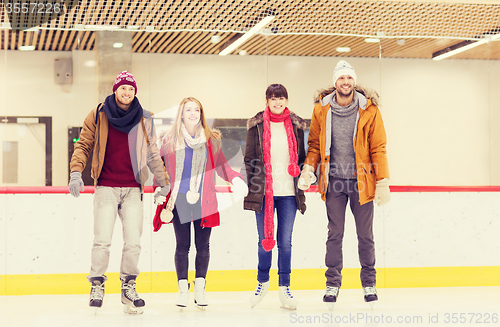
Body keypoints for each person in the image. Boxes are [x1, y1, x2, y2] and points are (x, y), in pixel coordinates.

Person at [68, 71, 170, 314]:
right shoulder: (99, 113)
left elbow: (153, 152)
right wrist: (75, 171)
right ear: (116, 89)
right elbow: (83, 144)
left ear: (135, 92)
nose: (127, 93)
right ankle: (97, 284)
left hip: (134, 188)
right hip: (106, 186)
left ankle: (128, 287)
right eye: (123, 88)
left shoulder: (145, 117)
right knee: (102, 240)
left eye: (131, 89)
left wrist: (163, 181)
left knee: (133, 242)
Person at [298, 61, 390, 306]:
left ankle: (369, 283)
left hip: (362, 182)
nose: (346, 82)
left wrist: (382, 181)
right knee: (335, 234)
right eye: (341, 78)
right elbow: (315, 145)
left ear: (354, 81)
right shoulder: (322, 109)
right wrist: (308, 169)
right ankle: (332, 284)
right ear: (335, 82)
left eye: (349, 78)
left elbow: (378, 148)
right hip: (335, 182)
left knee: (365, 236)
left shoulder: (369, 110)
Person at [156, 97, 248, 308]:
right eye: (188, 109)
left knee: (203, 246)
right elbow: (159, 169)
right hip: (178, 201)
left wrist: (235, 179)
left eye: (196, 110)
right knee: (182, 246)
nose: (193, 113)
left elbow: (223, 166)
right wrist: (158, 189)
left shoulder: (211, 140)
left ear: (201, 114)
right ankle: (182, 290)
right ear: (181, 113)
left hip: (203, 200)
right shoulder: (169, 141)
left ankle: (199, 289)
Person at [243, 84, 307, 310]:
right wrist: (249, 185)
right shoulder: (257, 126)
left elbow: (302, 158)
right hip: (263, 193)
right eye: (273, 99)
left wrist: (306, 176)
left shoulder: (297, 126)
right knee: (264, 241)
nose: (278, 102)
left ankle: (285, 288)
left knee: (285, 243)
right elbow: (249, 158)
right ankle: (262, 282)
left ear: (286, 100)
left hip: (289, 193)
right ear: (267, 101)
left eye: (281, 98)